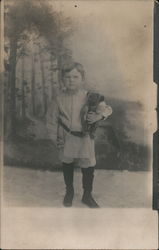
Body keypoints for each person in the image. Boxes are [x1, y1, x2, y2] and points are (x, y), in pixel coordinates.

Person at [47, 62, 112, 208]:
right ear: (62, 79)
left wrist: (98, 117)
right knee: (67, 163)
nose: (71, 80)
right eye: (67, 77)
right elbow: (51, 120)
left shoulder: (91, 97)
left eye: (75, 77)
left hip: (85, 137)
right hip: (66, 137)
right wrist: (54, 138)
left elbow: (107, 109)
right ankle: (69, 192)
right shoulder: (58, 98)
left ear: (82, 79)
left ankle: (87, 195)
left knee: (88, 166)